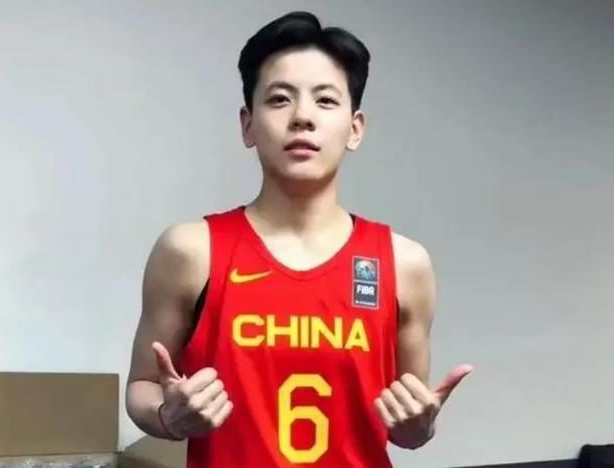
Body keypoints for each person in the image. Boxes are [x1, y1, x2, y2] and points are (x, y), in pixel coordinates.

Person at [126, 10, 473, 468]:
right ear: (248, 125)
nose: (303, 117)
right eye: (279, 99)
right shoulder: (191, 251)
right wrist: (168, 417)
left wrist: (419, 428)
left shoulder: (404, 264)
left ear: (355, 129)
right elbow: (141, 387)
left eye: (326, 100)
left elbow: (408, 420)